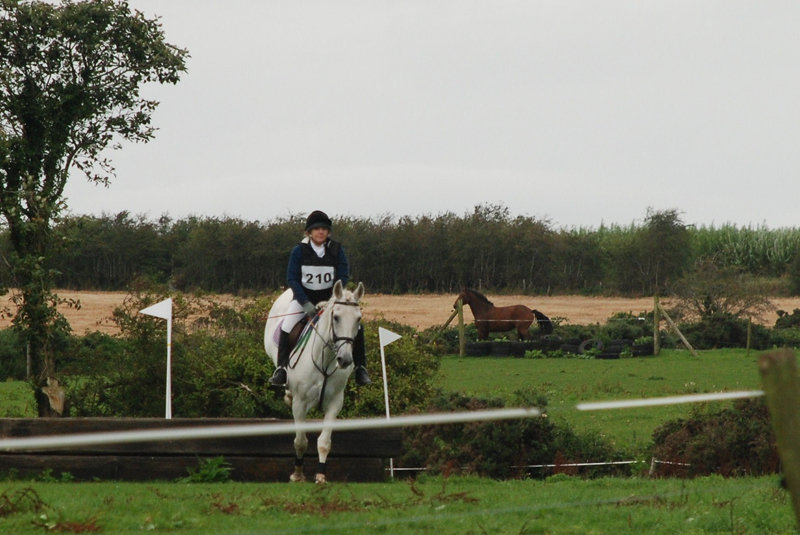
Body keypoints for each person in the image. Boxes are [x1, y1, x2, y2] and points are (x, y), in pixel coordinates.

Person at [269, 210, 371, 387]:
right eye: (317, 229)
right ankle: (282, 369)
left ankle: (360, 368)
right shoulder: (299, 251)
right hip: (304, 299)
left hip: (330, 300)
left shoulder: (337, 250)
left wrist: (333, 299)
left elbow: (342, 275)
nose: (321, 232)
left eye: (324, 229)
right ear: (309, 232)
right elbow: (292, 279)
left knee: (357, 326)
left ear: (328, 232)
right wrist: (304, 302)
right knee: (287, 326)